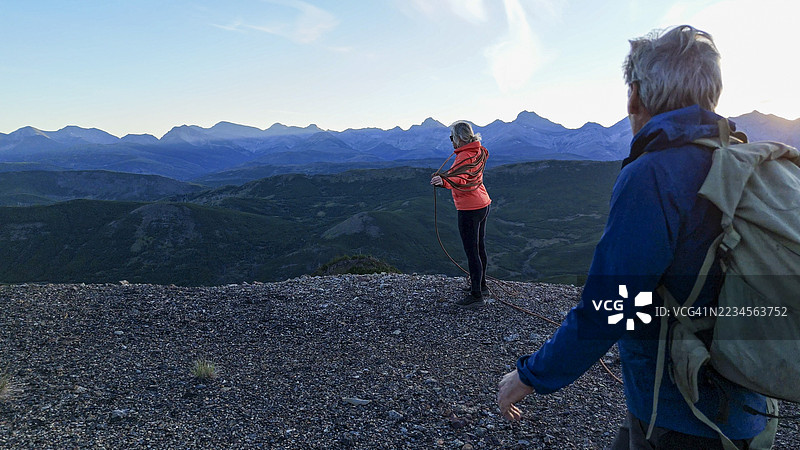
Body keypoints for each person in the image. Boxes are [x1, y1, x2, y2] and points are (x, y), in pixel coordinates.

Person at [497, 25, 773, 449]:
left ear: (636, 96)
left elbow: (610, 305)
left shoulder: (654, 173)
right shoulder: (741, 161)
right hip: (747, 402)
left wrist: (529, 375)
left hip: (683, 414)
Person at [430, 121, 492, 308]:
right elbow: (468, 174)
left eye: (452, 137)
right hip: (483, 204)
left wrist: (443, 181)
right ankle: (482, 285)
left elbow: (460, 178)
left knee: (471, 251)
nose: (451, 141)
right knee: (479, 247)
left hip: (469, 208)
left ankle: (476, 296)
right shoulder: (480, 151)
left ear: (458, 137)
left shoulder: (463, 156)